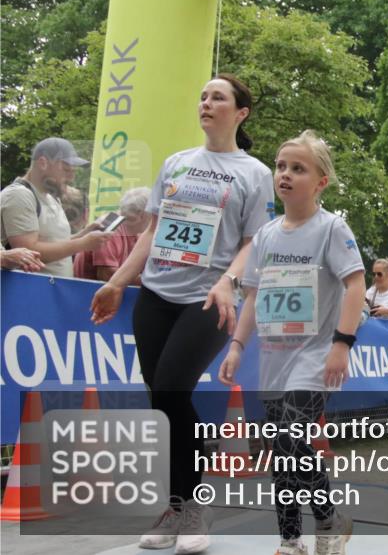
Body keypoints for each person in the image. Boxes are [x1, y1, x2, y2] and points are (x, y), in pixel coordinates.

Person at [90, 74, 274, 554]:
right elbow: (152, 233)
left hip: (208, 300)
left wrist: (227, 280)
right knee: (162, 401)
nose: (206, 103)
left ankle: (192, 506)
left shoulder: (254, 173)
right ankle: (177, 505)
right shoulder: (176, 163)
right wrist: (117, 282)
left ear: (241, 113)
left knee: (172, 389)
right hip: (156, 294)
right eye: (203, 96)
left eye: (219, 98)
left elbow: (254, 242)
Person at [219, 129, 362, 555]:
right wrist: (237, 347)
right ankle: (298, 535)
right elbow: (253, 296)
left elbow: (355, 285)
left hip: (314, 357)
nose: (285, 174)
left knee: (289, 440)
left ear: (320, 182)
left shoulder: (331, 228)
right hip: (273, 359)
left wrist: (341, 345)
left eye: (298, 168)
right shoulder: (265, 236)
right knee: (282, 451)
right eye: (281, 166)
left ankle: (320, 526)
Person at [1, 137, 111, 277]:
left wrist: (82, 235)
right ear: (43, 163)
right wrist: (82, 244)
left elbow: (52, 242)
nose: (71, 178)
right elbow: (28, 252)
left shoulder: (52, 197)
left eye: (73, 171)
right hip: (31, 288)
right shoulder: (19, 195)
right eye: (66, 170)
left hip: (52, 287)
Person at [74, 186, 152, 282]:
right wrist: (151, 282)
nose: (154, 219)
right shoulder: (111, 227)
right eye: (153, 214)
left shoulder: (135, 233)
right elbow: (106, 275)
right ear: (142, 215)